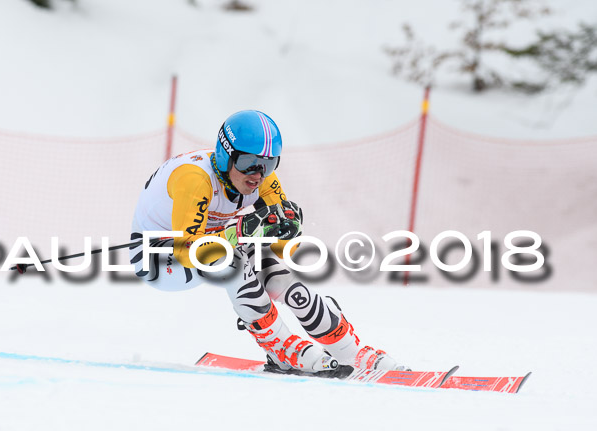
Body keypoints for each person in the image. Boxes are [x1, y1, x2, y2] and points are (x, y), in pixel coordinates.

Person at [130, 110, 407, 374]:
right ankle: (279, 346)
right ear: (227, 156)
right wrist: (238, 232)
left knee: (273, 269)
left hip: (203, 245)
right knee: (231, 258)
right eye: (248, 163)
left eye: (269, 163)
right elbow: (188, 251)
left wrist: (289, 231)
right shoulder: (196, 180)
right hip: (158, 256)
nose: (258, 174)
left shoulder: (263, 180)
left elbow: (282, 251)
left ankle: (348, 349)